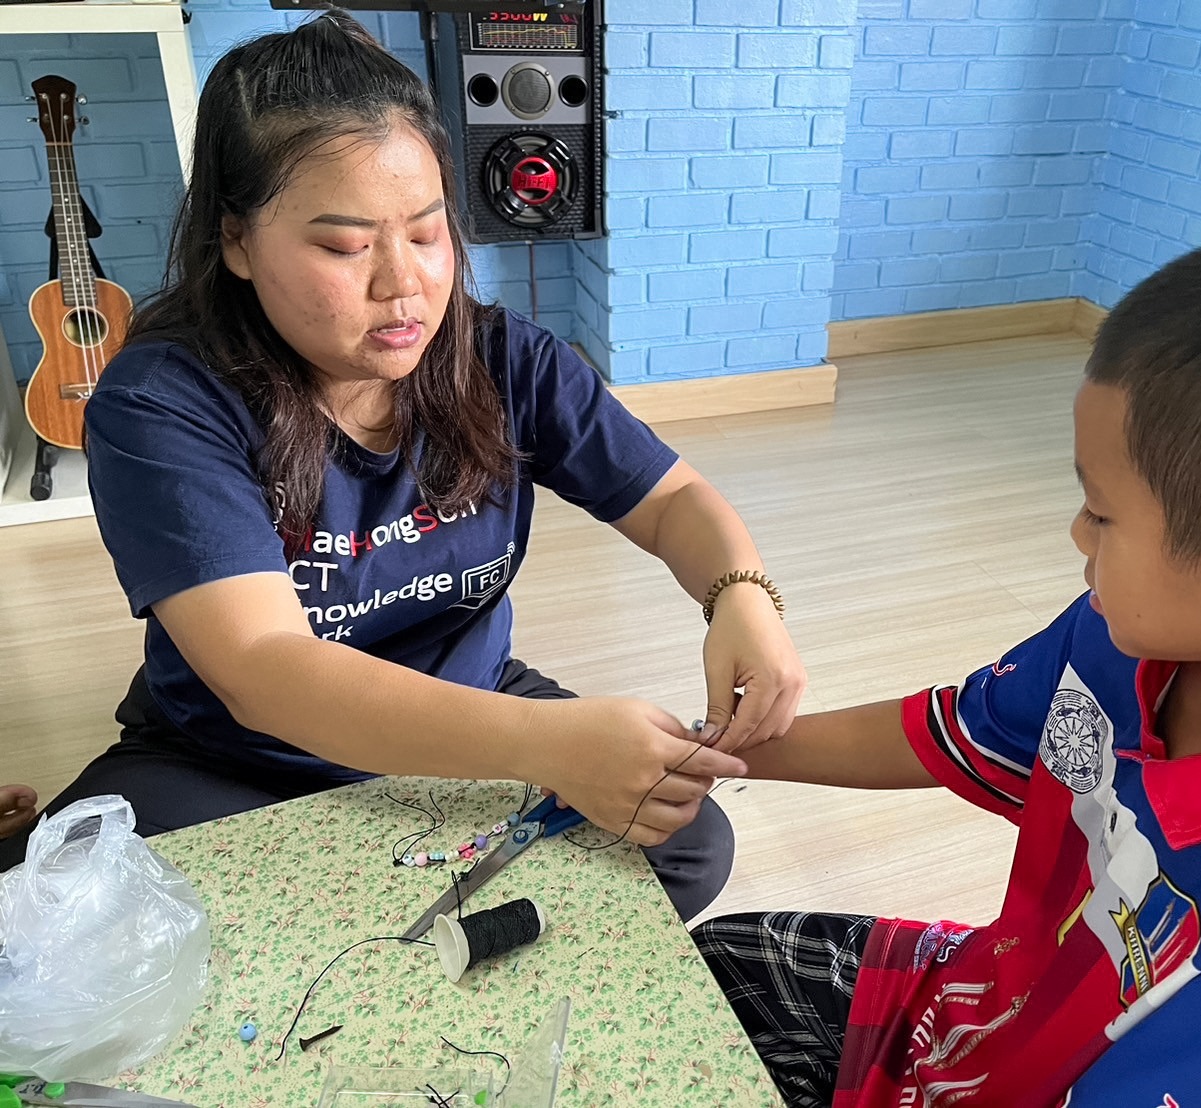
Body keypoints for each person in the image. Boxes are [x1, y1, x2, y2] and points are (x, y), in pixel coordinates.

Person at [0, 12, 806, 924]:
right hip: (235, 756)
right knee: (45, 932)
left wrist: (741, 595)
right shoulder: (162, 402)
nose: (403, 284)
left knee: (685, 845)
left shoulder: (504, 360)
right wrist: (548, 742)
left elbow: (672, 500)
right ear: (235, 242)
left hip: (462, 717)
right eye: (343, 247)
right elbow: (262, 667)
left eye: (426, 234)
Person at [693, 211, 1201, 1106]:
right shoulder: (1134, 633)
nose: (1077, 534)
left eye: (1100, 514)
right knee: (710, 971)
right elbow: (962, 734)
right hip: (978, 1006)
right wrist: (715, 752)